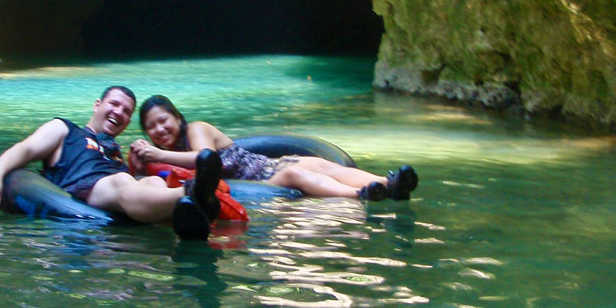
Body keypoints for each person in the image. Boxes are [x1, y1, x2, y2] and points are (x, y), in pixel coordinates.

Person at [0, 86, 225, 239]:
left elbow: (134, 185)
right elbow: (25, 148)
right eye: (114, 104)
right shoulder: (65, 130)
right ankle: (193, 193)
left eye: (126, 112)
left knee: (150, 181)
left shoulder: (114, 150)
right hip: (84, 188)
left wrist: (137, 168)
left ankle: (187, 211)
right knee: (121, 181)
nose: (119, 112)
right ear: (97, 105)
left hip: (118, 194)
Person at [130, 94, 418, 201]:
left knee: (318, 164)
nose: (159, 129)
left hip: (264, 168)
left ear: (178, 118)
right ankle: (361, 194)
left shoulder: (196, 129)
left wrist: (157, 153)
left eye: (163, 120)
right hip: (261, 180)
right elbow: (145, 175)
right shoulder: (163, 160)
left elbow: (206, 159)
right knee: (296, 174)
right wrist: (142, 160)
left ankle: (388, 183)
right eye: (151, 127)